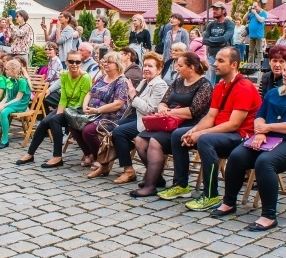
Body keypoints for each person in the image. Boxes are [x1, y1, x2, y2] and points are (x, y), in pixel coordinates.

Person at [213, 56, 286, 231]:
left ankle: (269, 216)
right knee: (237, 155)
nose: (284, 74)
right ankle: (229, 202)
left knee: (265, 162)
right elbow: (260, 115)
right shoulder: (274, 93)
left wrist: (267, 128)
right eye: (284, 71)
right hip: (268, 139)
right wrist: (259, 131)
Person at [178, 47, 262, 211]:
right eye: (216, 60)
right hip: (223, 131)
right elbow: (210, 117)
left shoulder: (243, 87)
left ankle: (211, 195)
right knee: (178, 135)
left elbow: (234, 124)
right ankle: (181, 184)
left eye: (221, 61)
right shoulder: (220, 86)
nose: (215, 64)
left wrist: (201, 133)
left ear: (234, 65)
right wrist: (193, 130)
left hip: (242, 135)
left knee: (205, 140)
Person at [130, 52, 213, 198]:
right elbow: (164, 100)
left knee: (155, 142)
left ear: (191, 67)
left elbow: (193, 111)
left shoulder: (204, 85)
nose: (176, 68)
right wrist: (162, 108)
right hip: (168, 123)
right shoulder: (178, 81)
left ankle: (150, 185)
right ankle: (156, 177)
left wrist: (170, 112)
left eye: (180, 65)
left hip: (189, 125)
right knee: (140, 140)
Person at [19, 51, 92, 167]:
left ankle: (57, 157)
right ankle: (30, 154)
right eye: (71, 61)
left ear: (81, 63)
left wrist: (59, 116)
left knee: (54, 120)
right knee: (44, 122)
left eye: (77, 62)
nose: (74, 64)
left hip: (77, 111)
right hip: (66, 108)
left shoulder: (85, 78)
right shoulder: (64, 75)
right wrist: (59, 113)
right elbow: (63, 98)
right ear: (66, 62)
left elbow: (81, 102)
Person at [109, 52, 168, 184]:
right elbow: (134, 102)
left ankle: (129, 170)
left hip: (147, 121)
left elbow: (151, 109)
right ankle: (106, 162)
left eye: (150, 66)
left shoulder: (160, 85)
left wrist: (133, 95)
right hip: (135, 116)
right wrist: (132, 93)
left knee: (119, 132)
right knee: (109, 127)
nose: (146, 68)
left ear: (158, 69)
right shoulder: (144, 81)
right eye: (145, 65)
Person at [68, 51, 130, 172]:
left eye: (109, 62)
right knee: (73, 124)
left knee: (88, 131)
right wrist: (85, 106)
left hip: (110, 116)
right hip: (92, 113)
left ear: (117, 64)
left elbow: (118, 104)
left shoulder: (121, 81)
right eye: (104, 61)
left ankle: (100, 159)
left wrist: (97, 110)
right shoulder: (102, 77)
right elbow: (90, 93)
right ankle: (89, 153)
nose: (105, 64)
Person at [0, 59, 31, 149]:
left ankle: (5, 140)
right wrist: (0, 104)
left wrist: (4, 105)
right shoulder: (9, 80)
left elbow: (18, 98)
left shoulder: (22, 81)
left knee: (4, 112)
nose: (5, 71)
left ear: (14, 70)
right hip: (10, 102)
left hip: (20, 103)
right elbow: (6, 97)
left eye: (7, 69)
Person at [203, 1, 234, 81]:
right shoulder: (211, 24)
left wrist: (211, 39)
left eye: (217, 9)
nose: (214, 11)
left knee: (224, 80)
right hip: (211, 57)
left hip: (225, 57)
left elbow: (225, 39)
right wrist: (220, 42)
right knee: (209, 80)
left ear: (223, 11)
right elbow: (205, 41)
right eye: (213, 9)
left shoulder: (229, 24)